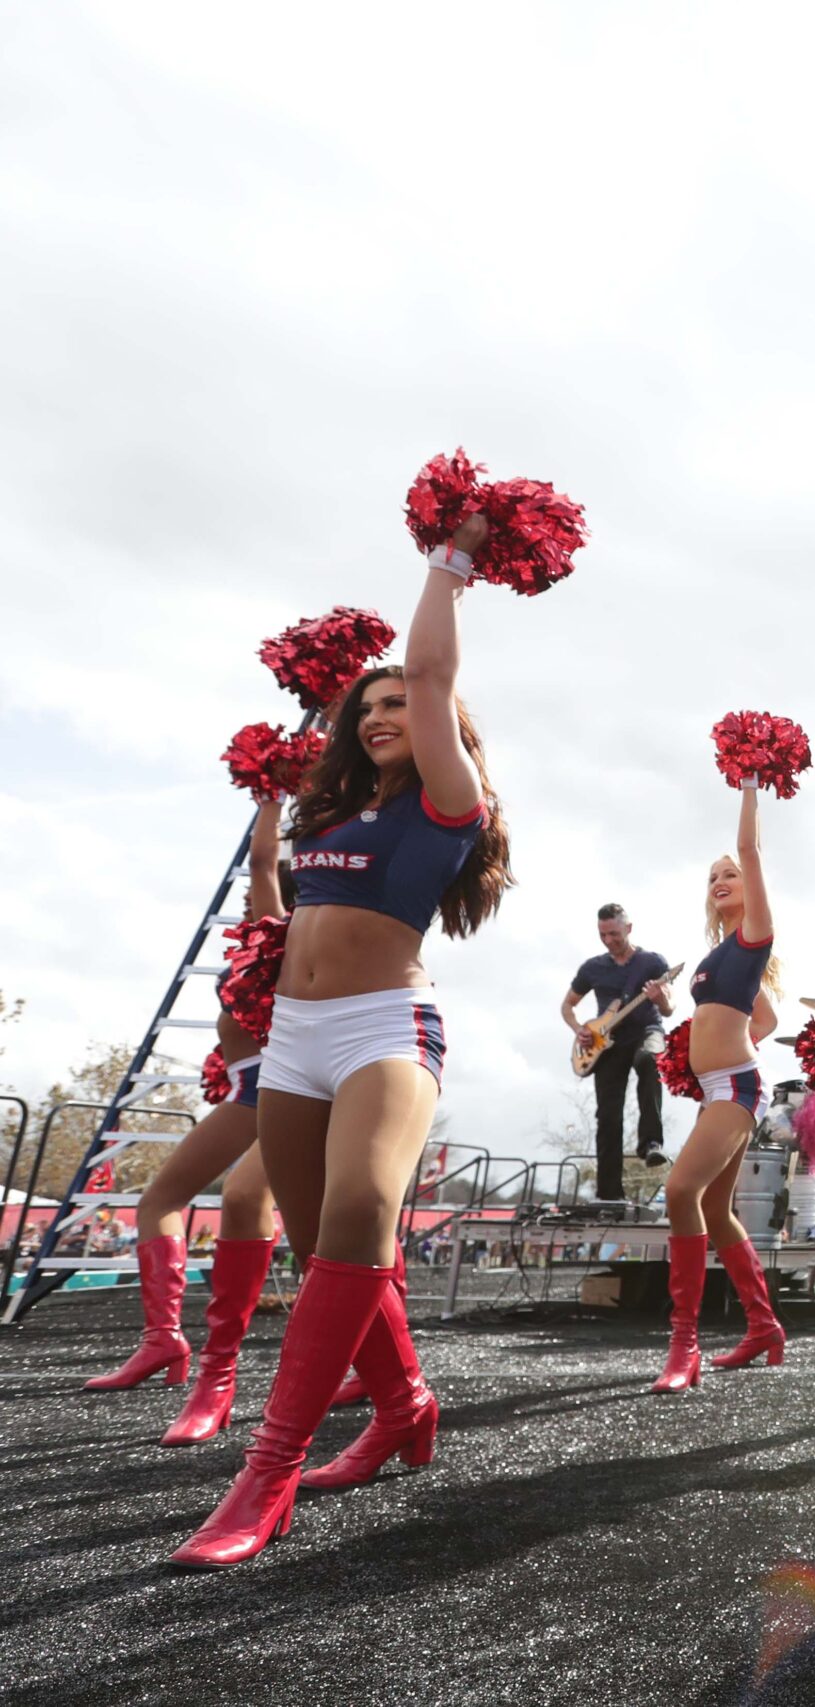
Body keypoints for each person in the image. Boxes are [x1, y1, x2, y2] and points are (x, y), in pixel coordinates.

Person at [173, 518, 513, 1566]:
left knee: (363, 1211)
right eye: (363, 709)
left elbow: (429, 664)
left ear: (437, 722)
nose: (380, 716)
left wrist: (446, 568)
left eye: (398, 705)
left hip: (385, 1030)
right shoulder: (333, 817)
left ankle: (266, 1475)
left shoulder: (448, 806)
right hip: (294, 1039)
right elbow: (274, 896)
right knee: (328, 1249)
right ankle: (405, 1405)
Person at [88, 796, 287, 1452]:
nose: (250, 910)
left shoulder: (294, 934)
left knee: (273, 1211)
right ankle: (162, 1340)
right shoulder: (260, 942)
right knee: (160, 1199)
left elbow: (263, 861)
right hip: (249, 1094)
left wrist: (274, 796)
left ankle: (222, 1376)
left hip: (298, 1095)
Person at [653, 785, 787, 1392]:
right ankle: (763, 1326)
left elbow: (749, 848)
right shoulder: (716, 957)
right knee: (712, 1207)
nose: (721, 878)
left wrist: (751, 787)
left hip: (736, 1086)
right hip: (713, 1086)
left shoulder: (756, 933)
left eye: (729, 873)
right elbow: (766, 1020)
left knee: (680, 1191)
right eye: (713, 876)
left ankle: (685, 1344)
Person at [563, 903, 674, 1204]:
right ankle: (609, 1193)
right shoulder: (592, 968)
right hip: (606, 1042)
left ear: (628, 928)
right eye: (603, 935)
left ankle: (651, 1142)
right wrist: (579, 1030)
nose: (609, 940)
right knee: (608, 1116)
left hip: (646, 1030)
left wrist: (660, 998)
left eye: (614, 933)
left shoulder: (652, 962)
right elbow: (567, 1005)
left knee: (649, 1060)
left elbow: (669, 1008)